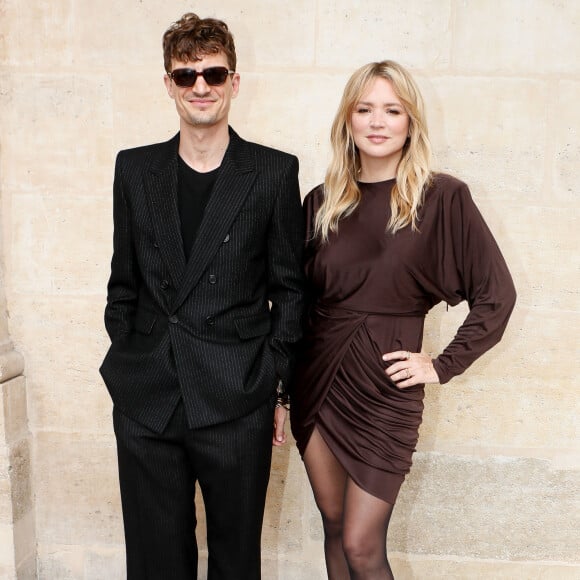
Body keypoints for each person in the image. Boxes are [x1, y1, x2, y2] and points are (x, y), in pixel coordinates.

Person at [290, 60, 516, 579]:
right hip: (318, 383)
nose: (377, 121)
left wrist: (440, 365)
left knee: (362, 544)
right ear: (347, 120)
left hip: (384, 393)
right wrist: (282, 394)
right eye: (364, 109)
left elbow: (497, 296)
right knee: (334, 526)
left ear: (411, 121)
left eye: (392, 110)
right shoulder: (321, 203)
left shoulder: (442, 198)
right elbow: (296, 305)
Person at [99, 13, 304, 580]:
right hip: (149, 400)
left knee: (237, 562)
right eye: (186, 75)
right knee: (155, 563)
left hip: (236, 398)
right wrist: (133, 356)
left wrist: (274, 387)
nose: (200, 87)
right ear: (168, 84)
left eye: (213, 73)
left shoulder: (271, 172)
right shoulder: (135, 170)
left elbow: (289, 291)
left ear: (234, 81)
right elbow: (123, 282)